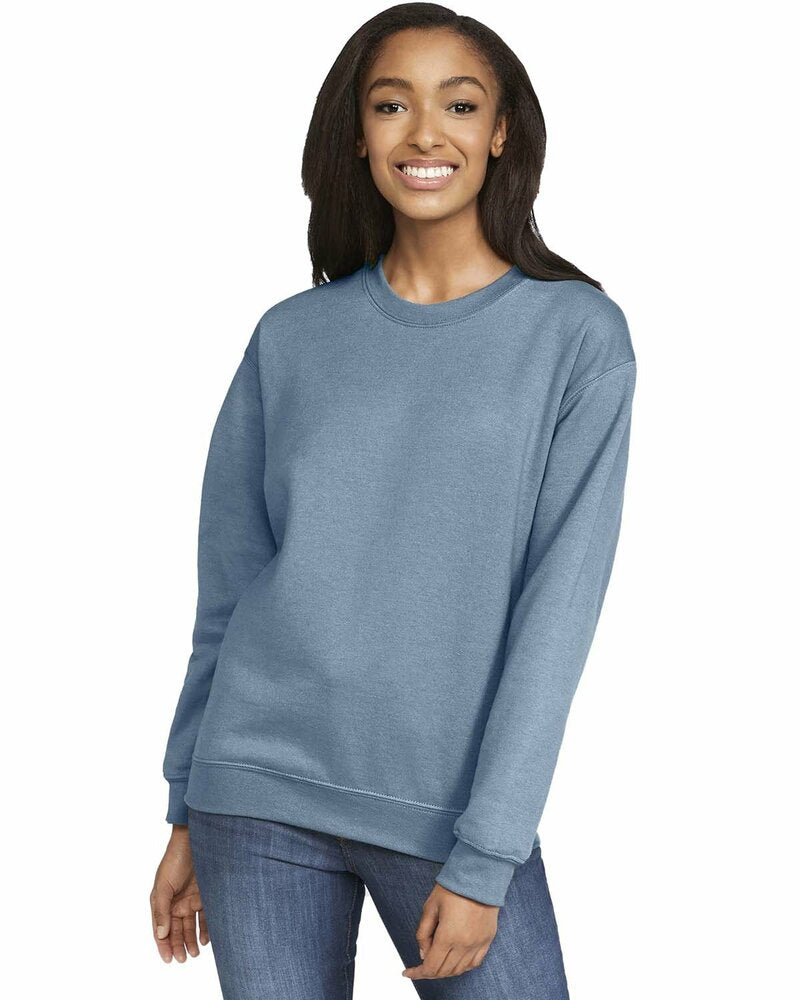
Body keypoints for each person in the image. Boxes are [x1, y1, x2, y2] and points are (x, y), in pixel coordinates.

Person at [150, 5, 637, 998]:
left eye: (458, 104)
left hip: (444, 813)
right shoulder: (291, 337)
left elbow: (557, 615)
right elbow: (229, 587)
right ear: (358, 135)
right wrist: (186, 806)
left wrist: (488, 851)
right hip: (254, 792)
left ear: (498, 132)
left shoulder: (575, 335)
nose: (424, 133)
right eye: (389, 105)